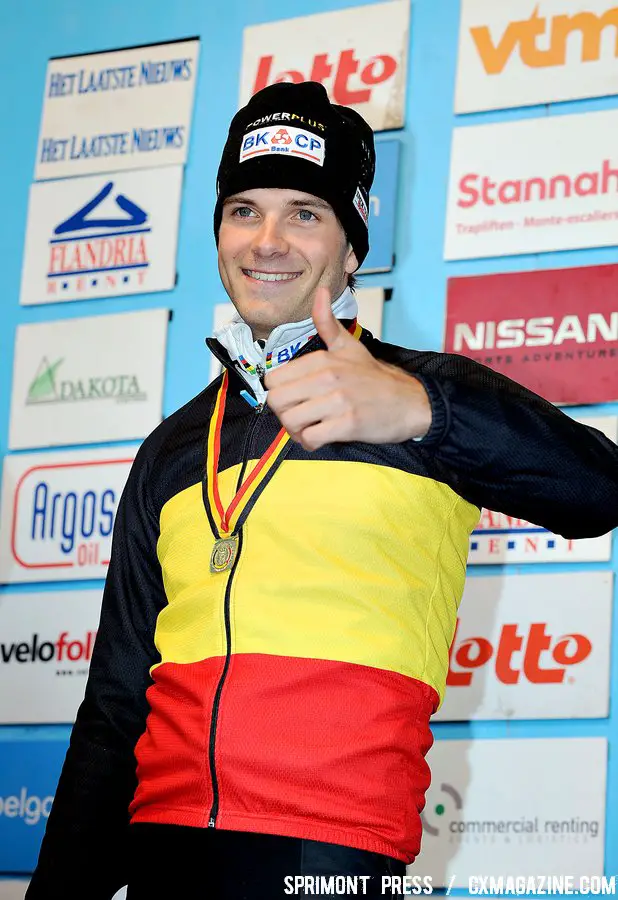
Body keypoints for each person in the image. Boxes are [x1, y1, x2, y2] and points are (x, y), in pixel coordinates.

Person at [26, 81, 618, 900]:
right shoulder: (170, 449)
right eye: (245, 210)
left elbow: (598, 491)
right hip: (160, 849)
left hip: (330, 855)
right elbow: (117, 702)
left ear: (352, 248)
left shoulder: (422, 394)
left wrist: (422, 411)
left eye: (305, 212)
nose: (268, 240)